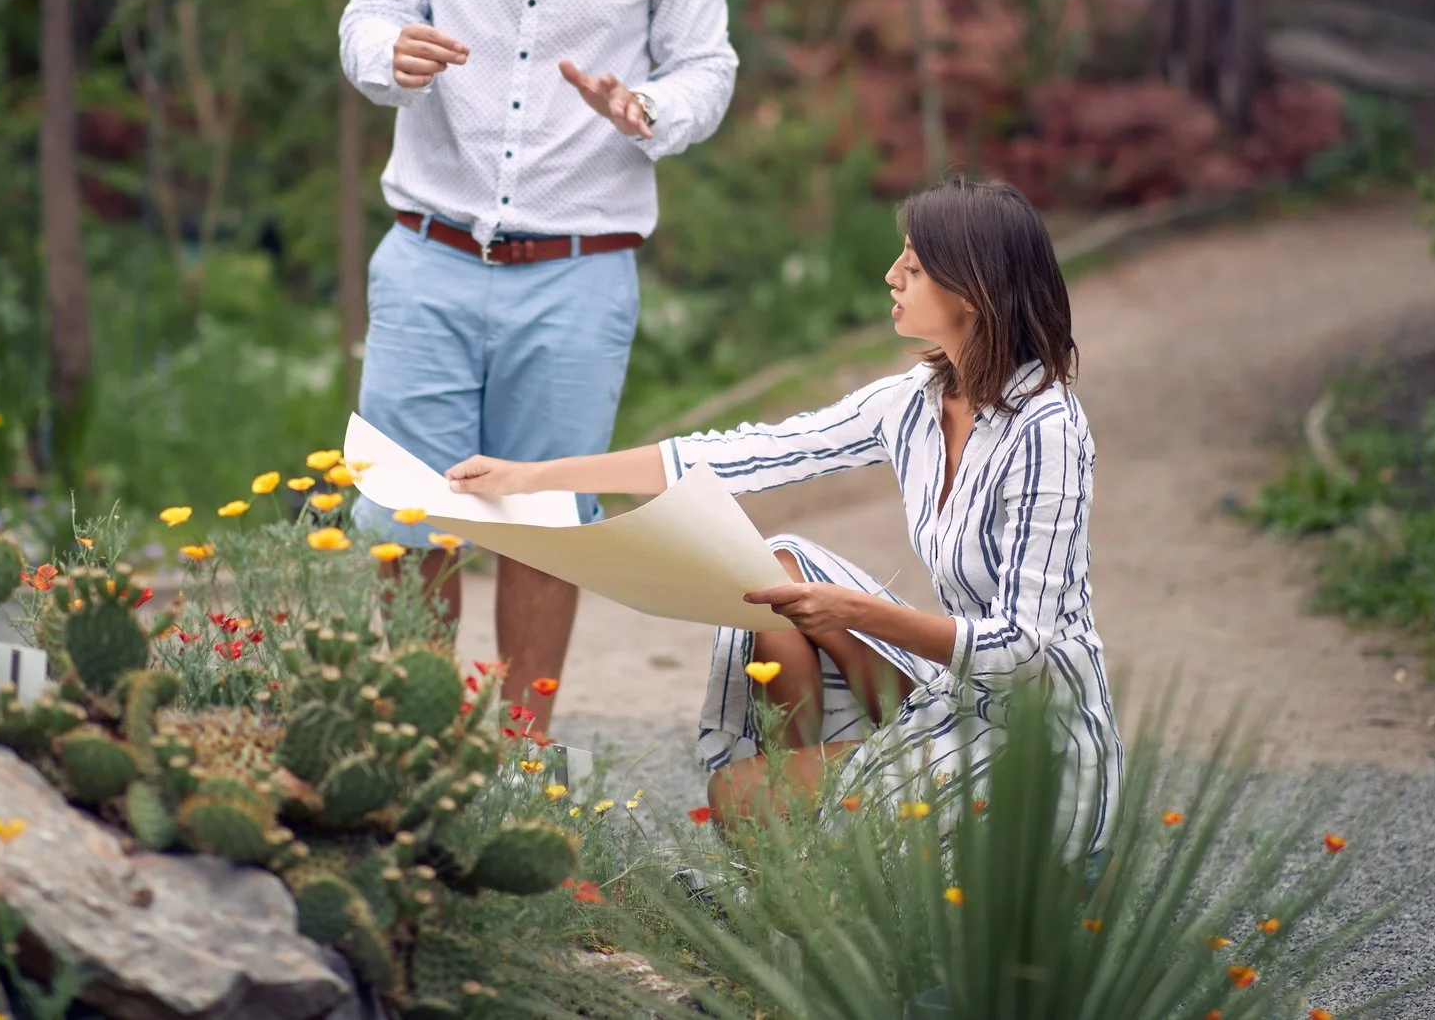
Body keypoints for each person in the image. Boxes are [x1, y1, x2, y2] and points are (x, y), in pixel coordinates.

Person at [445, 177, 1122, 853]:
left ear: (969, 295)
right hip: (956, 696)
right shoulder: (916, 400)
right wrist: (530, 476)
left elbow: (1026, 651)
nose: (891, 276)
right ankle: (808, 825)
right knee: (776, 567)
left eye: (912, 267)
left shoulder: (1045, 431)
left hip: (1039, 742)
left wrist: (853, 613)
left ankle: (827, 831)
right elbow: (743, 453)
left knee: (739, 794)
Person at [338, 0, 739, 729]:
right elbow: (367, 20)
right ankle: (412, 743)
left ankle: (520, 762)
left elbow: (709, 66)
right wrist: (393, 53)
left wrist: (645, 106)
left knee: (549, 521)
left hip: (579, 271)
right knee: (407, 521)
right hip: (427, 255)